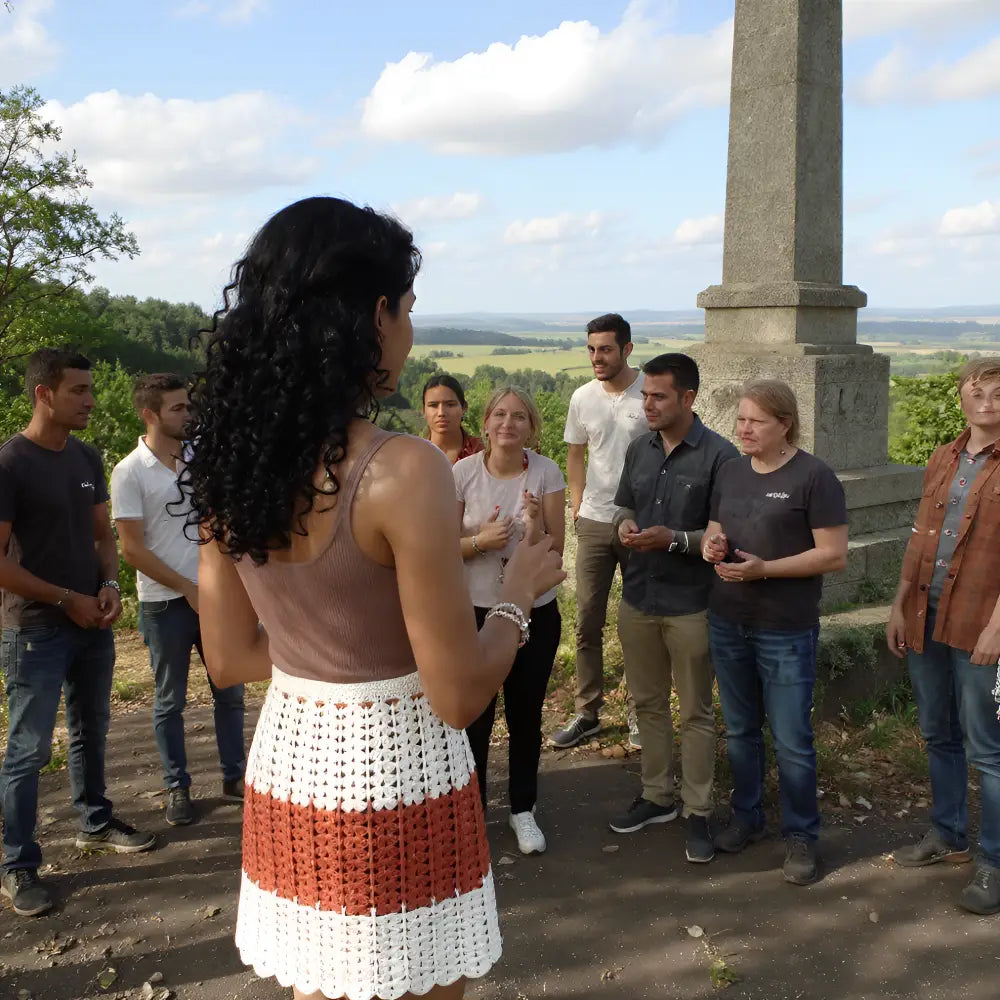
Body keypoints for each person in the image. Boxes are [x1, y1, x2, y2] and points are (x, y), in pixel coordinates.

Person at [184, 197, 564, 1000]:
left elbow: (227, 658)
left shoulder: (229, 458)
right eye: (410, 310)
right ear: (376, 313)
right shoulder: (401, 468)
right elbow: (456, 694)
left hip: (292, 761)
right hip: (401, 770)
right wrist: (517, 598)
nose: (411, 333)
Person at [0, 349, 155, 919]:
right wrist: (68, 600)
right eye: (79, 391)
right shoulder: (10, 464)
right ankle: (18, 865)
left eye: (91, 390)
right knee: (28, 749)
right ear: (44, 394)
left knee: (92, 728)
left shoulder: (86, 455)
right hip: (35, 629)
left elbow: (102, 538)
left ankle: (94, 822)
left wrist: (111, 585)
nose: (91, 400)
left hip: (93, 622)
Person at [702, 379, 847, 887]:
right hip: (727, 618)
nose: (743, 429)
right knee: (740, 731)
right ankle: (748, 816)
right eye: (740, 420)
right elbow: (716, 527)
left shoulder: (814, 477)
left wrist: (766, 569)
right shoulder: (732, 471)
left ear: (784, 423)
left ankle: (801, 834)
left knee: (791, 740)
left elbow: (833, 554)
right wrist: (712, 546)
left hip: (784, 627)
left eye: (755, 421)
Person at [609, 354, 738, 864]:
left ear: (688, 398)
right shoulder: (639, 448)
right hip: (639, 596)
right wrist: (623, 525)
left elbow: (725, 534)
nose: (648, 405)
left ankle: (699, 810)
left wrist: (676, 540)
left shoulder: (720, 457)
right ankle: (657, 795)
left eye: (658, 396)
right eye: (645, 395)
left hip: (691, 604)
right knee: (647, 704)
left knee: (696, 712)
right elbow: (624, 504)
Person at [885, 358, 1000, 915]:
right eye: (977, 391)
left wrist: (999, 628)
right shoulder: (944, 457)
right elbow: (920, 536)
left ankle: (994, 864)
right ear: (962, 398)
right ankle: (948, 832)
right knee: (938, 732)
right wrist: (900, 603)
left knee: (990, 749)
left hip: (983, 624)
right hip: (926, 618)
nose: (987, 401)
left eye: (998, 392)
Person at [111, 373, 246, 828]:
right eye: (177, 408)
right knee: (170, 700)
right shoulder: (129, 472)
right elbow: (131, 549)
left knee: (230, 692)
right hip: (164, 604)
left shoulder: (201, 461)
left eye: (189, 407)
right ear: (150, 414)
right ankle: (177, 788)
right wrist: (187, 588)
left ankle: (234, 778)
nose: (188, 415)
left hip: (217, 598)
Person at [456, 387, 566, 856]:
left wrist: (535, 524)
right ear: (484, 423)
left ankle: (523, 810)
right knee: (475, 718)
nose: (508, 423)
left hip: (533, 611)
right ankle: (471, 814)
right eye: (499, 414)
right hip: (475, 610)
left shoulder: (546, 471)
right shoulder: (460, 473)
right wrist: (481, 540)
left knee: (525, 714)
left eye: (519, 416)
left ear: (531, 427)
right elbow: (441, 548)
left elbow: (555, 549)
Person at [550, 313, 646, 749]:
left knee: (640, 624)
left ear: (627, 349)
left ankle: (641, 713)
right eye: (590, 349)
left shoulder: (650, 393)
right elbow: (575, 454)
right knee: (587, 622)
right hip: (592, 521)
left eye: (605, 349)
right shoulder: (582, 397)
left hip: (641, 525)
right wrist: (576, 502)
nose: (596, 357)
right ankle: (587, 712)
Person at [422, 374, 484, 463]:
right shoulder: (416, 455)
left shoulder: (482, 452)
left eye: (450, 405)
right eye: (433, 405)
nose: (441, 413)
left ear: (464, 407)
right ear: (424, 410)